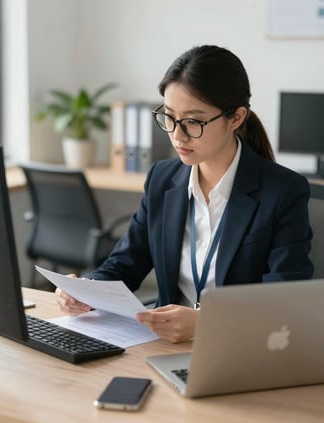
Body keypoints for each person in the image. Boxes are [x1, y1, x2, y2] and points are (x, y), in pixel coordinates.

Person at [55, 44, 313, 343]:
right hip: (165, 343)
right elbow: (126, 262)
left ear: (236, 118)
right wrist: (87, 290)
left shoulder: (282, 192)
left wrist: (208, 324)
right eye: (169, 116)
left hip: (240, 346)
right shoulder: (162, 179)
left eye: (193, 121)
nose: (177, 135)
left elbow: (283, 302)